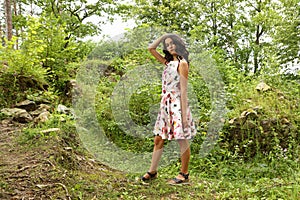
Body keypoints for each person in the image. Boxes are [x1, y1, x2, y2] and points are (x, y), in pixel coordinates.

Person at [141, 33, 197, 185]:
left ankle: (184, 174)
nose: (170, 46)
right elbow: (151, 48)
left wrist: (184, 116)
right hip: (165, 105)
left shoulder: (182, 63)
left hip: (177, 105)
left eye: (172, 43)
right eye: (167, 45)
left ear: (178, 44)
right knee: (158, 138)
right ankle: (152, 171)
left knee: (181, 139)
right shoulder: (167, 62)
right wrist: (164, 36)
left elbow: (184, 90)